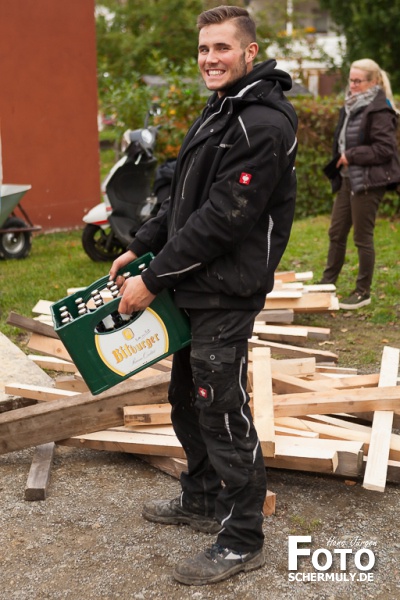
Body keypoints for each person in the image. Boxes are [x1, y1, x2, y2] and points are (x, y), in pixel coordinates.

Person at [110, 5, 298, 586]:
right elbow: (183, 196)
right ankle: (201, 500)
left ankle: (242, 537)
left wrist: (152, 279)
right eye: (203, 50)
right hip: (196, 284)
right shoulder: (223, 109)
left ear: (249, 51)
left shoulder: (263, 123)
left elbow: (222, 220)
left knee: (220, 407)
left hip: (227, 289)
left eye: (221, 48)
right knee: (187, 398)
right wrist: (140, 244)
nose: (209, 59)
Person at [320, 58, 400, 310]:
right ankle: (326, 285)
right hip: (347, 178)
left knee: (362, 238)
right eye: (350, 80)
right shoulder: (352, 105)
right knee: (336, 233)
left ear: (373, 82)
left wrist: (351, 156)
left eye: (358, 81)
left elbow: (386, 149)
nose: (352, 85)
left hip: (368, 181)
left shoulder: (379, 110)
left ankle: (362, 291)